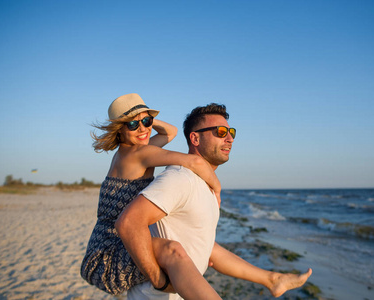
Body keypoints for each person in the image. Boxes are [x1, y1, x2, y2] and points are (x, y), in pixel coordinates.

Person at [116, 103, 312, 299]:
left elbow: (207, 247)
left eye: (231, 132)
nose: (229, 138)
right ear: (195, 138)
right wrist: (158, 280)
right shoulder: (180, 179)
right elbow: (130, 222)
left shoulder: (205, 185)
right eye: (220, 132)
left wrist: (270, 278)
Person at [80, 93, 223, 296]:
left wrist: (141, 119)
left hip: (101, 247)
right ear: (119, 129)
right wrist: (216, 189)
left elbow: (171, 132)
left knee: (197, 249)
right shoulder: (139, 154)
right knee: (173, 251)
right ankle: (163, 283)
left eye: (147, 121)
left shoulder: (128, 151)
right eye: (132, 125)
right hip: (108, 255)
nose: (143, 129)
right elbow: (196, 162)